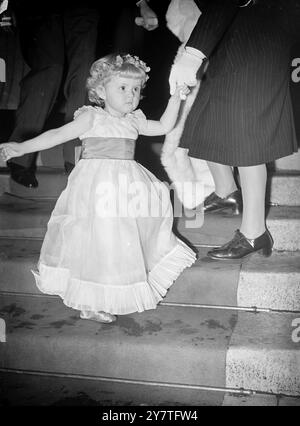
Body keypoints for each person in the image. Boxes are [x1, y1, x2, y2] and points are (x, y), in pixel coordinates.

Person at [0, 53, 196, 323]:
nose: (131, 95)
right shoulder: (91, 117)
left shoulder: (134, 120)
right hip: (95, 188)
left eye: (136, 89)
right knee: (96, 242)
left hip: (127, 188)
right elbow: (57, 135)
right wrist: (21, 147)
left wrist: (176, 98)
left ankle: (109, 291)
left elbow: (163, 125)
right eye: (123, 88)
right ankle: (89, 302)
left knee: (119, 241)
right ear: (101, 90)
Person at [168, 0, 300, 260]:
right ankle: (226, 191)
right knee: (207, 117)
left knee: (246, 132)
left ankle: (255, 232)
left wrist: (193, 53)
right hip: (237, 31)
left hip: (262, 30)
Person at [4, 0, 101, 187]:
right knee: (49, 70)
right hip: (41, 7)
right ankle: (20, 157)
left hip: (83, 7)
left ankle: (76, 159)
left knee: (84, 75)